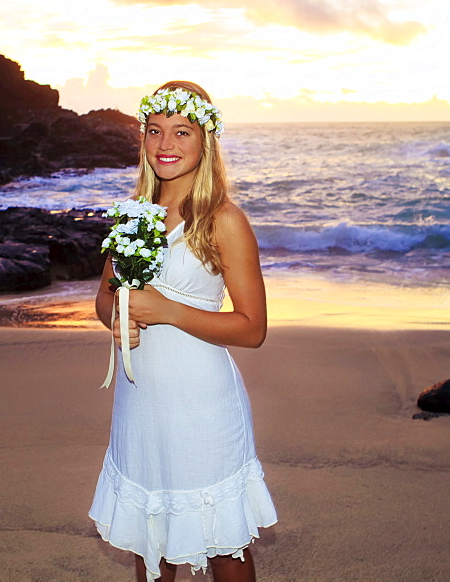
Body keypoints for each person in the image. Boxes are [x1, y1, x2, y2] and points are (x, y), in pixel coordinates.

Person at [89, 81, 277, 581]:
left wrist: (166, 310)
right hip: (140, 397)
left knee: (222, 542)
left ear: (205, 141)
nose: (165, 144)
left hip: (202, 403)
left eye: (181, 131)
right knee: (149, 538)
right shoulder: (132, 217)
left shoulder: (222, 220)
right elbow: (105, 297)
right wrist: (119, 319)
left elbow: (252, 328)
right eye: (155, 131)